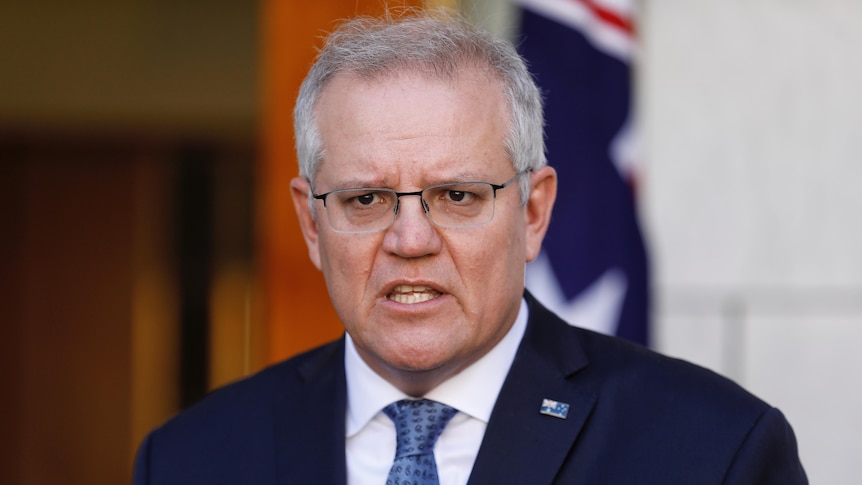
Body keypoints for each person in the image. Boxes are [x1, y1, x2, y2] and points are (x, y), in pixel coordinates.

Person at [132, 10, 807, 485]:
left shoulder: (712, 452)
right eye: (366, 199)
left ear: (533, 211)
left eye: (457, 195)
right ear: (312, 223)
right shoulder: (191, 460)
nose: (411, 240)